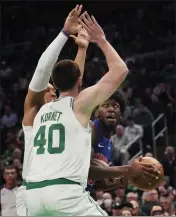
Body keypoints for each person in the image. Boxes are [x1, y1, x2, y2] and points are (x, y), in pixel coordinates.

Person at [25, 9, 156, 216]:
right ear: (80, 81)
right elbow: (120, 70)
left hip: (32, 197)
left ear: (55, 84)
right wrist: (101, 40)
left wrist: (78, 46)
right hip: (65, 194)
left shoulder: (40, 111)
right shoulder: (79, 106)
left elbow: (62, 78)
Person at [16, 6, 89, 216]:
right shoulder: (36, 111)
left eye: (53, 88)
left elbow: (74, 82)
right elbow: (42, 72)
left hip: (57, 191)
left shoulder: (66, 108)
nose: (50, 90)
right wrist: (64, 34)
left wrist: (82, 49)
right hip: (33, 190)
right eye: (46, 89)